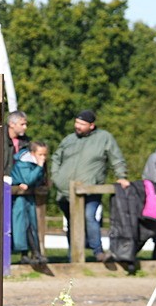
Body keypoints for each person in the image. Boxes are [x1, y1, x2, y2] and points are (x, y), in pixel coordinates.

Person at [50, 109, 130, 262]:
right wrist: (56, 176)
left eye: (82, 124)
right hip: (65, 192)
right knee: (72, 223)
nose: (77, 126)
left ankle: (97, 252)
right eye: (76, 122)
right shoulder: (69, 139)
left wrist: (121, 177)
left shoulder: (104, 138)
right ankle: (72, 256)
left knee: (89, 217)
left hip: (90, 190)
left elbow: (117, 159)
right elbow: (56, 158)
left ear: (91, 126)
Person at [11, 142, 48, 264]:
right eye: (40, 154)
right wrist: (39, 167)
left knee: (32, 225)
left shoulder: (35, 163)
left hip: (29, 196)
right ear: (33, 153)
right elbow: (28, 179)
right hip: (19, 198)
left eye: (44, 155)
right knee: (22, 225)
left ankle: (35, 253)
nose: (43, 157)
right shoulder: (24, 163)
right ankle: (28, 253)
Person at [4, 111, 29, 177]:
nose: (25, 127)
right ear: (11, 124)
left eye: (25, 124)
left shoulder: (25, 141)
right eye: (22, 124)